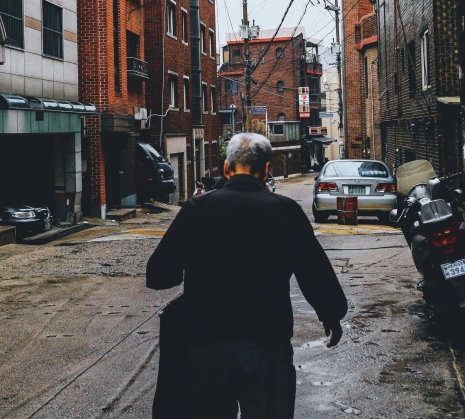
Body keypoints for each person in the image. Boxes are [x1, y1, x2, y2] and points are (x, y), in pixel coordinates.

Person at [147, 133, 347, 419]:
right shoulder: (286, 211)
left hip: (208, 344)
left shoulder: (196, 210)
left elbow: (158, 275)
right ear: (267, 170)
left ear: (226, 169)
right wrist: (332, 315)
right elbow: (313, 270)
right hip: (268, 341)